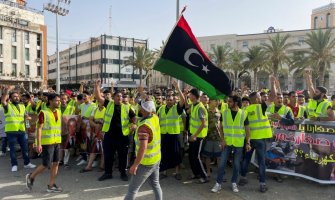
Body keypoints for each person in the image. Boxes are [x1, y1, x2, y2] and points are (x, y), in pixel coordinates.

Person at [94, 80, 136, 182]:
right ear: (114, 97)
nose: (120, 98)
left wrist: (134, 124)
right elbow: (99, 97)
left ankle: (123, 173)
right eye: (118, 96)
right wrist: (97, 87)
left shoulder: (127, 107)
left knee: (122, 155)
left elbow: (134, 117)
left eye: (121, 96)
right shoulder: (109, 104)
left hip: (122, 136)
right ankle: (108, 173)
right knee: (108, 155)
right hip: (109, 135)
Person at [211, 95, 251, 193]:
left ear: (236, 103)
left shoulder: (243, 113)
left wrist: (248, 142)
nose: (228, 103)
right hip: (227, 142)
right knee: (222, 164)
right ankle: (218, 183)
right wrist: (222, 140)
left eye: (230, 102)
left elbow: (247, 129)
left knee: (236, 165)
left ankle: (234, 182)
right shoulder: (224, 113)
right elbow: (220, 127)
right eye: (228, 101)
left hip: (239, 143)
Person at [125, 99, 162, 200]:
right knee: (155, 184)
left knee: (132, 190)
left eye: (140, 106)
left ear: (143, 109)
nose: (139, 107)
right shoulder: (154, 117)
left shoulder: (143, 127)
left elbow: (143, 147)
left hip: (145, 162)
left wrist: (135, 165)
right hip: (156, 159)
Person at [25, 93, 62, 192]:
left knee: (56, 163)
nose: (59, 102)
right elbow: (39, 128)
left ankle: (51, 185)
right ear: (50, 101)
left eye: (59, 100)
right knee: (46, 164)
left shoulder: (58, 111)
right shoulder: (43, 112)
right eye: (57, 100)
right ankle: (31, 177)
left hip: (57, 141)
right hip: (47, 142)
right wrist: (39, 144)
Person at [239, 92, 272, 193]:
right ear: (257, 99)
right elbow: (272, 97)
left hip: (249, 139)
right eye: (259, 97)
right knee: (261, 162)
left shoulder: (245, 110)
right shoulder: (260, 107)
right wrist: (274, 82)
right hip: (260, 139)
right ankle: (262, 184)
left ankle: (243, 178)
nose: (262, 98)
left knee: (246, 159)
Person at [1, 86, 36, 172]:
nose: (16, 98)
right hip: (11, 131)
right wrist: (7, 91)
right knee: (12, 149)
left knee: (25, 148)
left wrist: (27, 118)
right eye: (14, 96)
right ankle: (14, 165)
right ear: (11, 98)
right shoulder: (7, 106)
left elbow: (25, 116)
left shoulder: (22, 106)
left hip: (22, 130)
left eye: (17, 96)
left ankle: (27, 163)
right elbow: (3, 101)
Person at [157, 81, 185, 180]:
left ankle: (177, 172)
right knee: (164, 153)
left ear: (174, 101)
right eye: (168, 99)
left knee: (176, 154)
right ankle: (163, 172)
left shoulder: (176, 109)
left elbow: (183, 100)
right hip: (164, 134)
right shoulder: (160, 109)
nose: (169, 101)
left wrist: (178, 88)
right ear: (165, 100)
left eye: (171, 100)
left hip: (174, 134)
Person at [188, 88, 208, 183]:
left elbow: (203, 124)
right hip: (193, 135)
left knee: (196, 156)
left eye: (190, 94)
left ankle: (204, 176)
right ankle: (196, 174)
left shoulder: (200, 107)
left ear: (194, 96)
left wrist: (195, 135)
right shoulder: (193, 106)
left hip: (198, 136)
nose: (189, 96)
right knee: (191, 155)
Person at [80, 101, 106, 173]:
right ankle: (89, 166)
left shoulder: (107, 109)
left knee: (104, 149)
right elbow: (90, 120)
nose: (101, 103)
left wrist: (99, 124)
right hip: (96, 132)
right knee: (94, 148)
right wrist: (96, 125)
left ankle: (102, 166)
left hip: (104, 132)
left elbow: (107, 121)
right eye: (100, 102)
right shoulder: (95, 110)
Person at [201, 99, 222, 178]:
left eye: (217, 101)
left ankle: (220, 173)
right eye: (215, 101)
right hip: (208, 137)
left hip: (217, 137)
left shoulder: (219, 112)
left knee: (219, 156)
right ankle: (208, 171)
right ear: (210, 102)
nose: (217, 102)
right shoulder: (205, 111)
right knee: (207, 155)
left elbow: (220, 125)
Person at [77, 91, 97, 166]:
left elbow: (93, 117)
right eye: (83, 96)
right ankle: (84, 158)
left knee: (90, 142)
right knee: (83, 142)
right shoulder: (81, 105)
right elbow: (77, 112)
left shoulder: (94, 105)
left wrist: (86, 121)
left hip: (89, 126)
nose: (84, 98)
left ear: (90, 96)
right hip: (82, 125)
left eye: (85, 96)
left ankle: (93, 160)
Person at [59, 93, 76, 168]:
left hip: (67, 130)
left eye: (64, 99)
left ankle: (66, 162)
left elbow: (73, 119)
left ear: (67, 99)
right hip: (58, 130)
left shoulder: (71, 108)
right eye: (62, 99)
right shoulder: (56, 108)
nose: (63, 100)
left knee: (67, 147)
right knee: (60, 147)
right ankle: (60, 160)